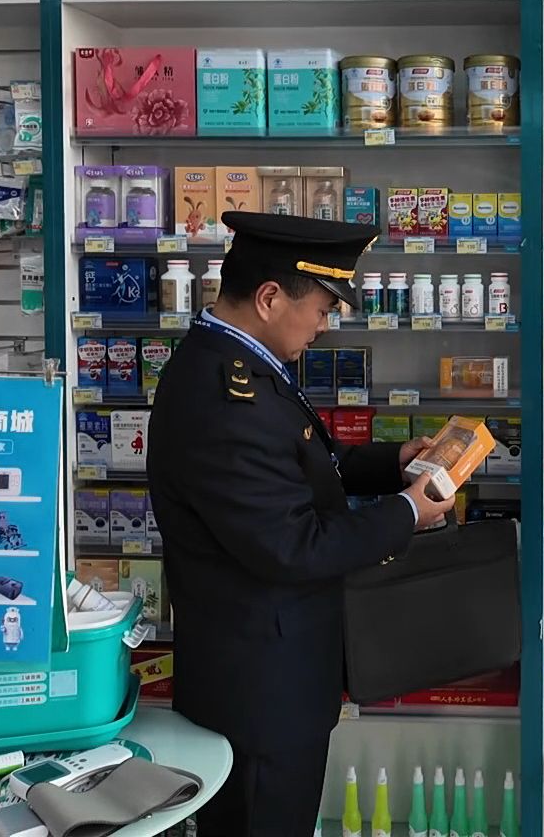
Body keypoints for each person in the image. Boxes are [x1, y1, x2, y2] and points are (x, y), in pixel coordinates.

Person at [148, 211, 455, 836]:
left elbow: (308, 464)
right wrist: (408, 512)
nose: (323, 324)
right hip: (259, 700)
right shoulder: (224, 397)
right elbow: (291, 545)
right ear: (269, 298)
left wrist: (393, 464)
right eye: (320, 309)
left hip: (274, 681)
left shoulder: (244, 365)